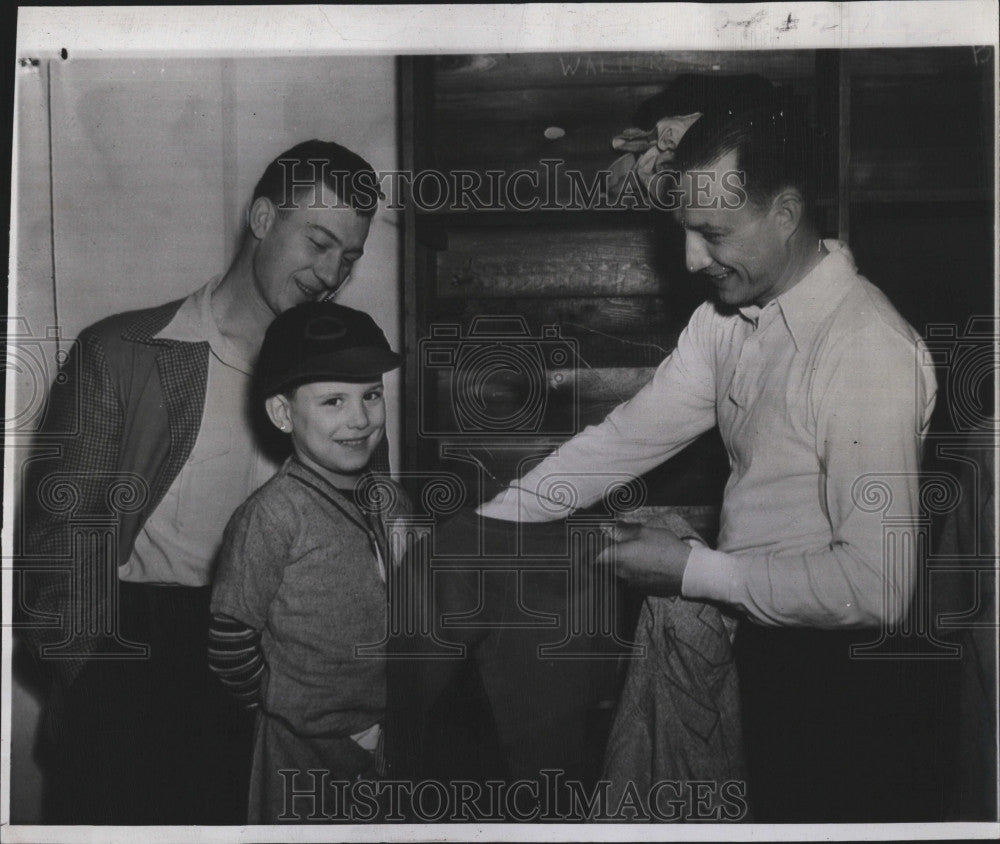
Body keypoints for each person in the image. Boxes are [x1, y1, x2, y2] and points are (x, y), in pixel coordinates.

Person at [478, 103, 939, 820]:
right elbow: (622, 440)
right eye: (685, 232)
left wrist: (690, 570)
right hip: (754, 652)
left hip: (843, 683)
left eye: (713, 234)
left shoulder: (866, 347)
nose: (693, 259)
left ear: (785, 212)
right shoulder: (726, 321)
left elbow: (878, 588)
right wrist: (483, 529)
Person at [17, 139, 386, 823]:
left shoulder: (340, 381)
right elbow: (58, 545)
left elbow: (365, 540)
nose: (331, 271)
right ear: (262, 217)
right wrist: (92, 683)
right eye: (319, 241)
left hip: (281, 679)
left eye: (350, 256)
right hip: (138, 669)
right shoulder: (121, 351)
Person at [208, 301, 409, 824]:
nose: (359, 419)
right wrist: (284, 704)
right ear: (282, 413)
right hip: (300, 747)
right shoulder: (271, 516)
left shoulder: (393, 503)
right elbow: (230, 639)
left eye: (370, 395)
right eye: (333, 401)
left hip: (390, 735)